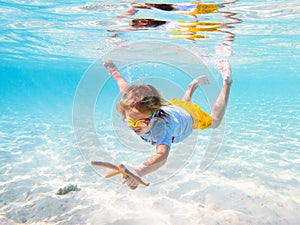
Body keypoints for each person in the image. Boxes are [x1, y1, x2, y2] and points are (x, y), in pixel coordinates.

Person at [103, 59, 232, 189]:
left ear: (154, 115)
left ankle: (227, 82)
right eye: (129, 121)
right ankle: (191, 87)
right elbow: (124, 87)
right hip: (174, 108)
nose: (135, 126)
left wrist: (139, 171)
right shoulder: (131, 106)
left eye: (142, 122)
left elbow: (162, 155)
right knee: (183, 106)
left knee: (215, 121)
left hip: (191, 116)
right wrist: (114, 71)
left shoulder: (161, 129)